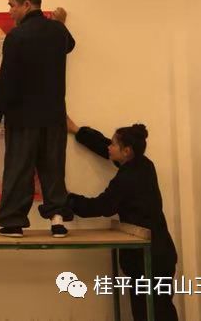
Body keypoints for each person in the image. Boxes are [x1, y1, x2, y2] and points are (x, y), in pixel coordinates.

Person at [67, 117, 178, 321]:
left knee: (154, 312)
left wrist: (67, 199)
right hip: (158, 254)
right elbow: (105, 147)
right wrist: (77, 130)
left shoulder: (127, 179)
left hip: (150, 259)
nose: (109, 147)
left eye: (114, 144)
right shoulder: (143, 164)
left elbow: (102, 206)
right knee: (155, 309)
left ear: (126, 151)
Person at [0, 0, 75, 238]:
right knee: (53, 168)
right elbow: (69, 45)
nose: (10, 11)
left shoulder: (16, 36)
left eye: (12, 5)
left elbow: (7, 78)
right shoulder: (58, 31)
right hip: (54, 116)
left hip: (23, 117)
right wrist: (60, 23)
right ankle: (57, 221)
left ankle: (13, 223)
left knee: (19, 169)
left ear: (26, 4)